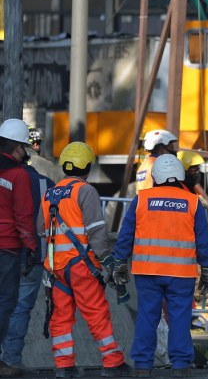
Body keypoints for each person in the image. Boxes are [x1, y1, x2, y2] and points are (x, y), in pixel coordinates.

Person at [111, 154, 208, 378]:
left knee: (147, 317)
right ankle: (180, 366)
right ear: (179, 175)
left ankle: (143, 366)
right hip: (181, 273)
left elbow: (126, 234)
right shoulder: (193, 202)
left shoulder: (142, 199)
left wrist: (119, 261)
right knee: (179, 318)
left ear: (155, 176)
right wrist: (207, 268)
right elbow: (203, 240)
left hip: (147, 272)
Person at [39, 142, 131, 378]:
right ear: (88, 166)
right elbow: (96, 231)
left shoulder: (50, 192)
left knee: (60, 317)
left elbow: (40, 227)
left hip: (56, 268)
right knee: (97, 313)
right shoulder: (86, 191)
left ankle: (64, 365)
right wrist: (107, 259)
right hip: (81, 266)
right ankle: (112, 362)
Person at [1, 139, 54, 371]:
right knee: (20, 306)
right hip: (31, 252)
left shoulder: (7, 178)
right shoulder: (46, 182)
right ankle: (11, 359)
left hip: (9, 248)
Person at [0, 119, 39, 379]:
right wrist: (33, 248)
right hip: (9, 249)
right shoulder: (19, 175)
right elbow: (24, 217)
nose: (26, 152)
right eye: (24, 147)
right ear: (16, 148)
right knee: (6, 302)